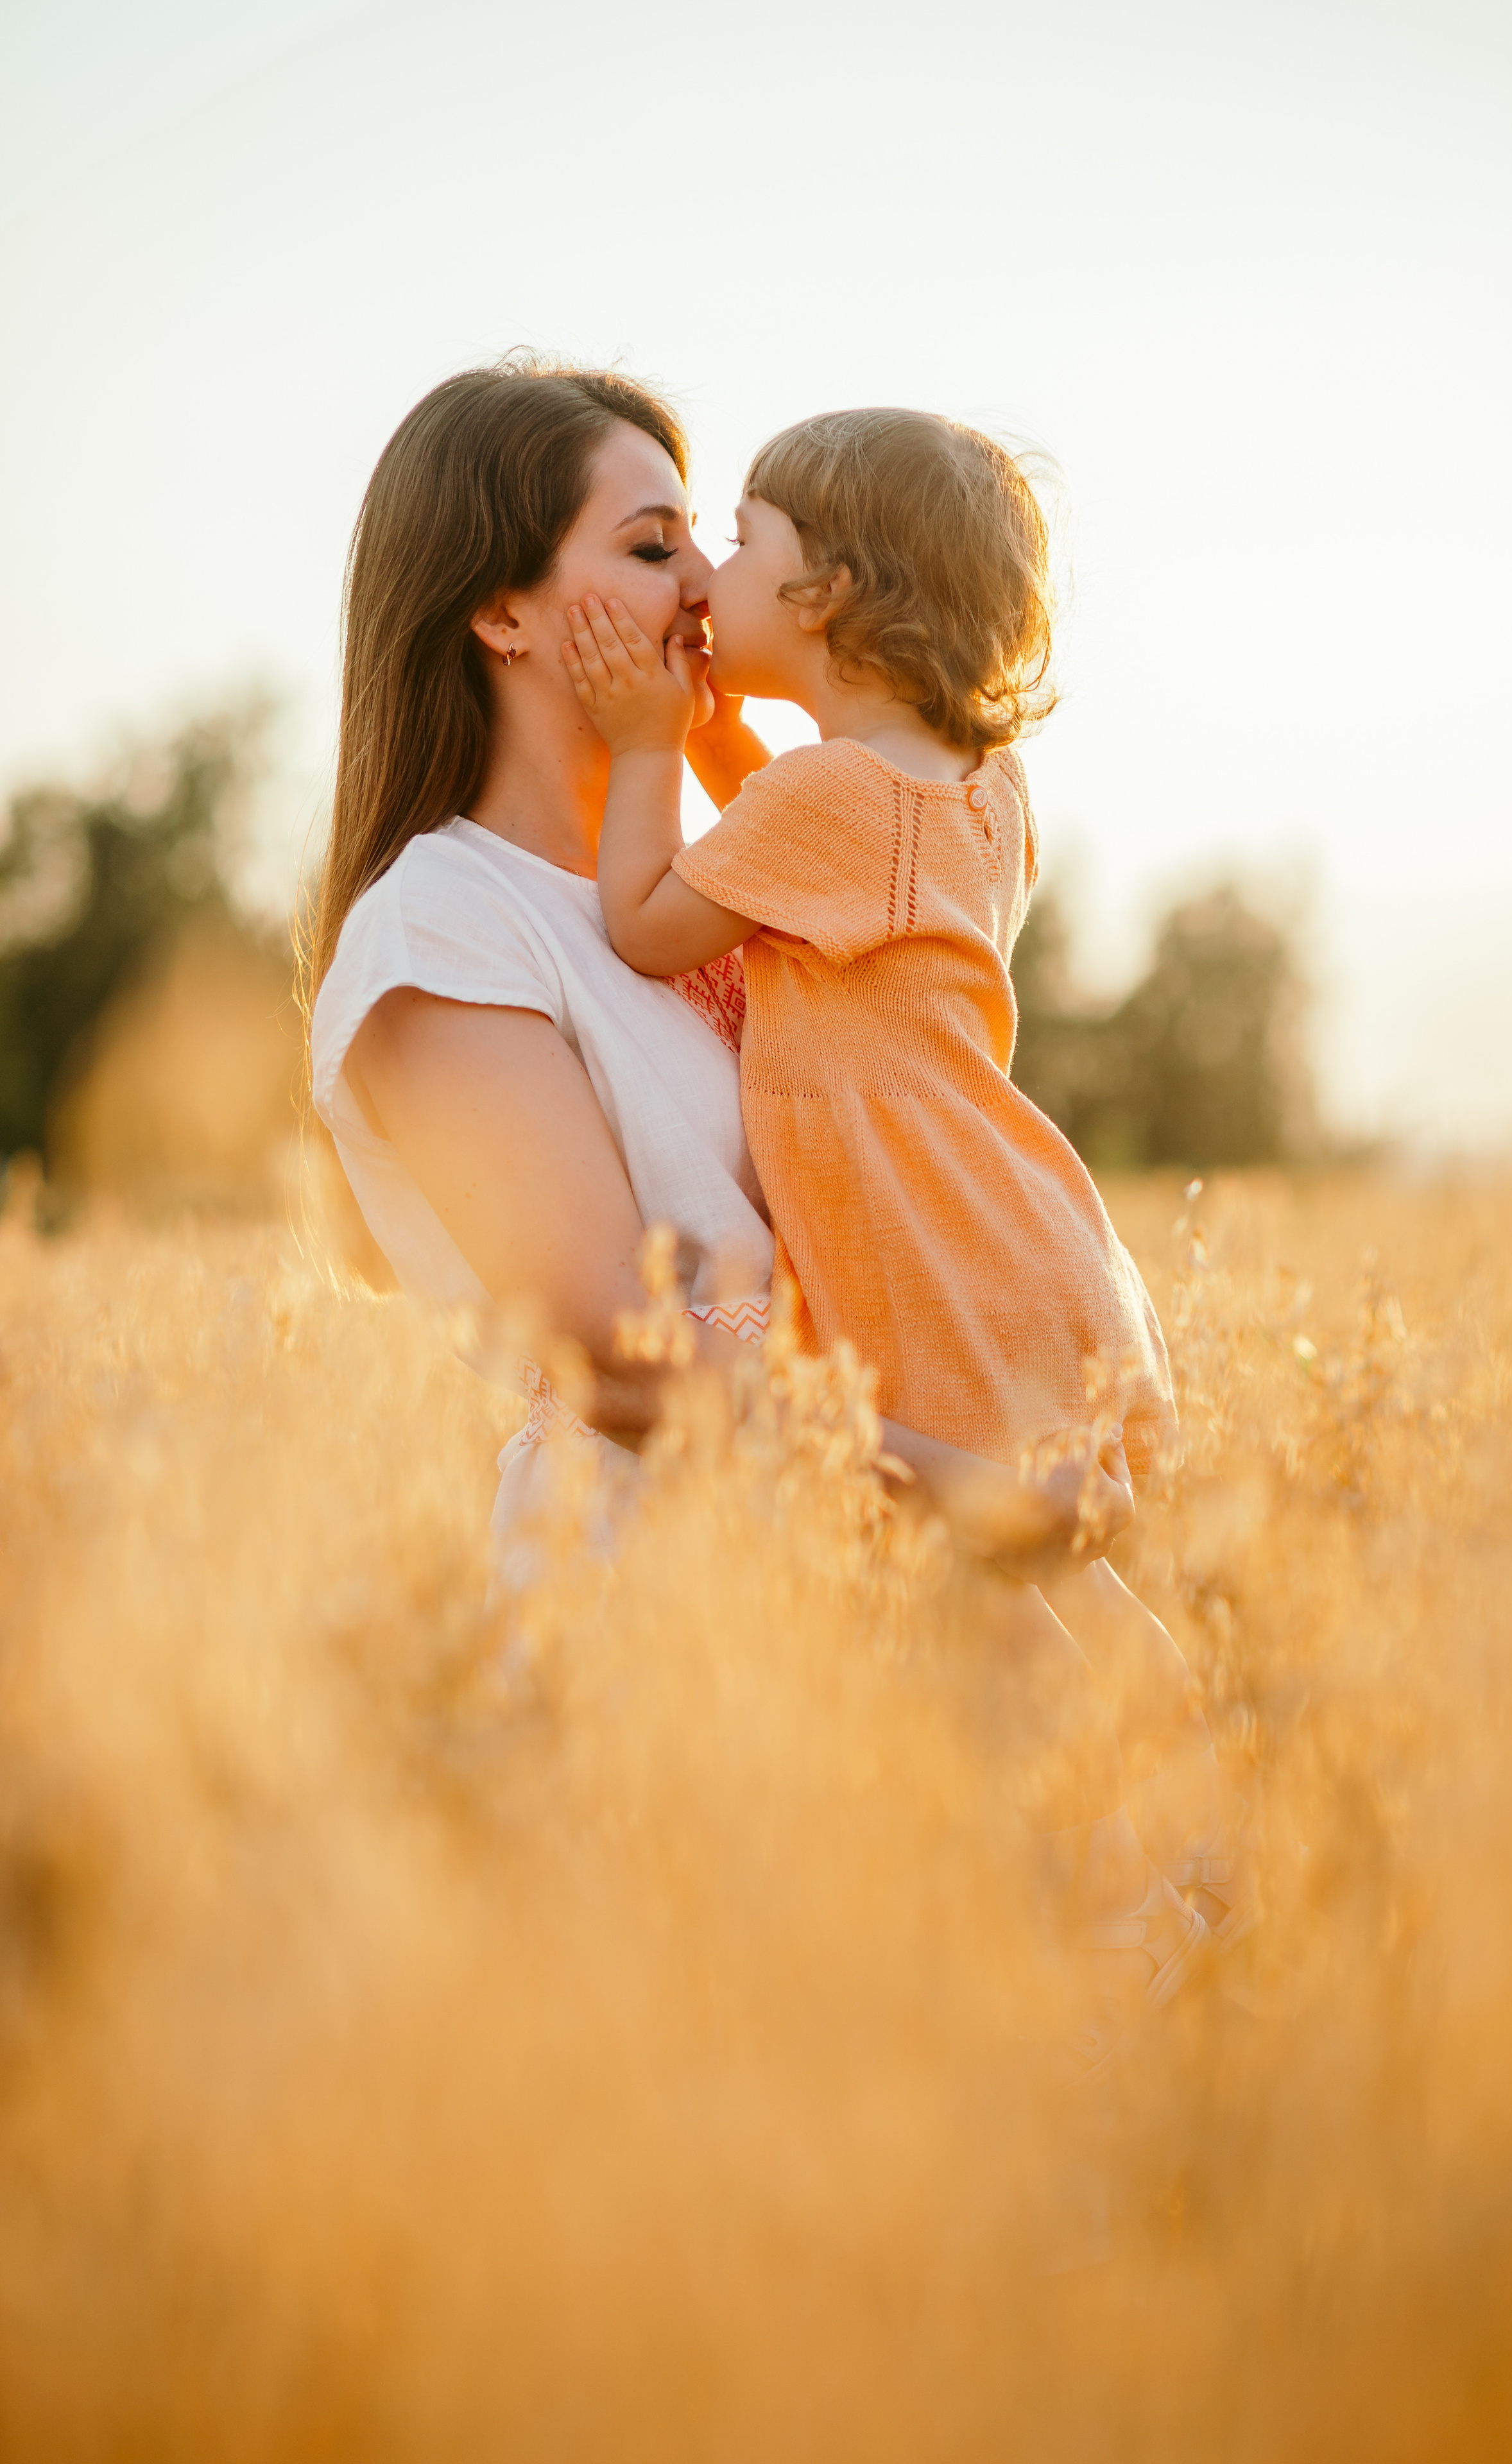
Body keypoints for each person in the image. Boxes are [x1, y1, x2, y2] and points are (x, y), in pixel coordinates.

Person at [563, 406, 1253, 2044]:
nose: (709, 572)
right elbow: (809, 824)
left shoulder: (822, 806)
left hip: (919, 1243)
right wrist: (734, 729)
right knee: (1031, 1579)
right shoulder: (975, 794)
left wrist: (648, 736)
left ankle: (1117, 1911)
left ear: (833, 599)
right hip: (1015, 1230)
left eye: (740, 540)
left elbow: (655, 922)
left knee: (971, 1596)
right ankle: (1181, 1828)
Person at [304, 359, 1103, 1625]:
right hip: (664, 1604)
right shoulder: (438, 928)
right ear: (503, 615)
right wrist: (970, 1490)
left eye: (705, 540)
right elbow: (623, 1363)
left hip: (869, 1569)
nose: (700, 586)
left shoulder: (732, 883)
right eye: (650, 544)